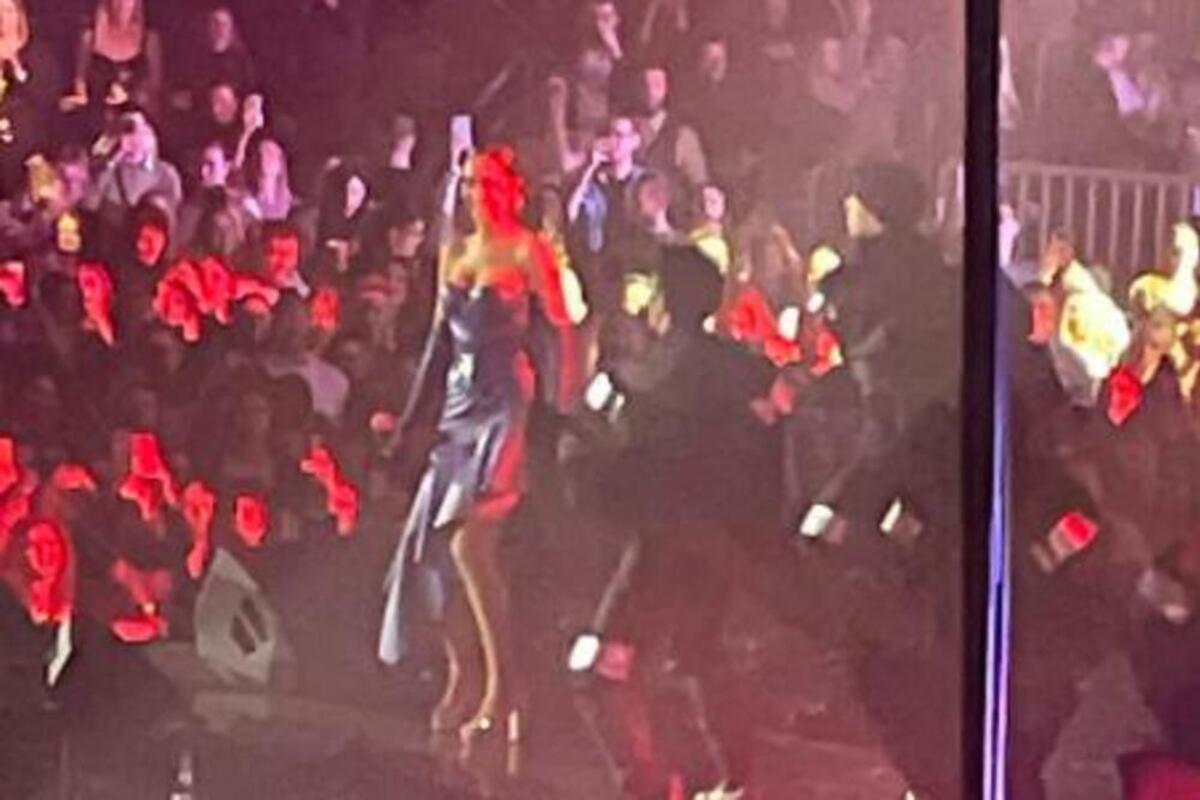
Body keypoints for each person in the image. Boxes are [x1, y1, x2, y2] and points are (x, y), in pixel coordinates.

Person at [378, 147, 576, 747]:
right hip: (458, 407)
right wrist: (410, 424)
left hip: (506, 401)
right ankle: (464, 672)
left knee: (472, 542)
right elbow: (439, 345)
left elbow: (563, 330)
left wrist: (565, 410)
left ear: (511, 189)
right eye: (469, 183)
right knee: (432, 552)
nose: (476, 193)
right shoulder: (457, 252)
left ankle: (504, 684)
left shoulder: (527, 250)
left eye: (487, 183)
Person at [0, 0, 60, 198]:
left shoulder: (38, 53)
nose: (1, 18)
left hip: (30, 151)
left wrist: (15, 64)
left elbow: (45, 99)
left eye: (7, 10)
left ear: (19, 15)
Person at [63, 0, 163, 116]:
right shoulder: (89, 34)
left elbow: (155, 91)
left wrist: (130, 96)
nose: (122, 6)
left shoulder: (149, 38)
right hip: (95, 104)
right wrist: (80, 93)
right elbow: (80, 86)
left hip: (133, 106)